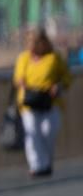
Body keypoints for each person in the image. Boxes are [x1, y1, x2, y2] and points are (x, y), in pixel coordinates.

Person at [14, 26, 71, 178]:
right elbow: (18, 77)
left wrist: (58, 86)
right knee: (32, 131)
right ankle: (36, 165)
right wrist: (22, 83)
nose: (32, 46)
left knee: (48, 131)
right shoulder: (24, 58)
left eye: (35, 43)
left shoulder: (54, 57)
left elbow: (67, 77)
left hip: (49, 101)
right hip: (29, 101)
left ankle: (46, 162)